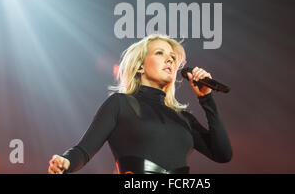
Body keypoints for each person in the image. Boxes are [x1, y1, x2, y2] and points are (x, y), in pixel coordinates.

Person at [48, 34, 232, 174]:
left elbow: (222, 154)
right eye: (160, 53)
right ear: (139, 66)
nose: (170, 59)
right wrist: (65, 162)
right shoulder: (120, 104)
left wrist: (206, 99)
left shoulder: (183, 118)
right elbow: (83, 150)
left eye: (173, 57)